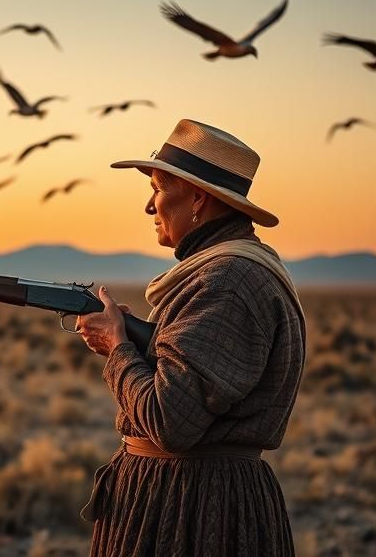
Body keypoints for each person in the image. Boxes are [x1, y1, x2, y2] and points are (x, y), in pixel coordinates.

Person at [75, 119, 306, 556]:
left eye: (159, 188)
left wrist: (118, 347)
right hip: (187, 498)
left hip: (193, 510)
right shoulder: (224, 273)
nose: (149, 206)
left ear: (197, 197)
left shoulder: (227, 281)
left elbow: (170, 422)